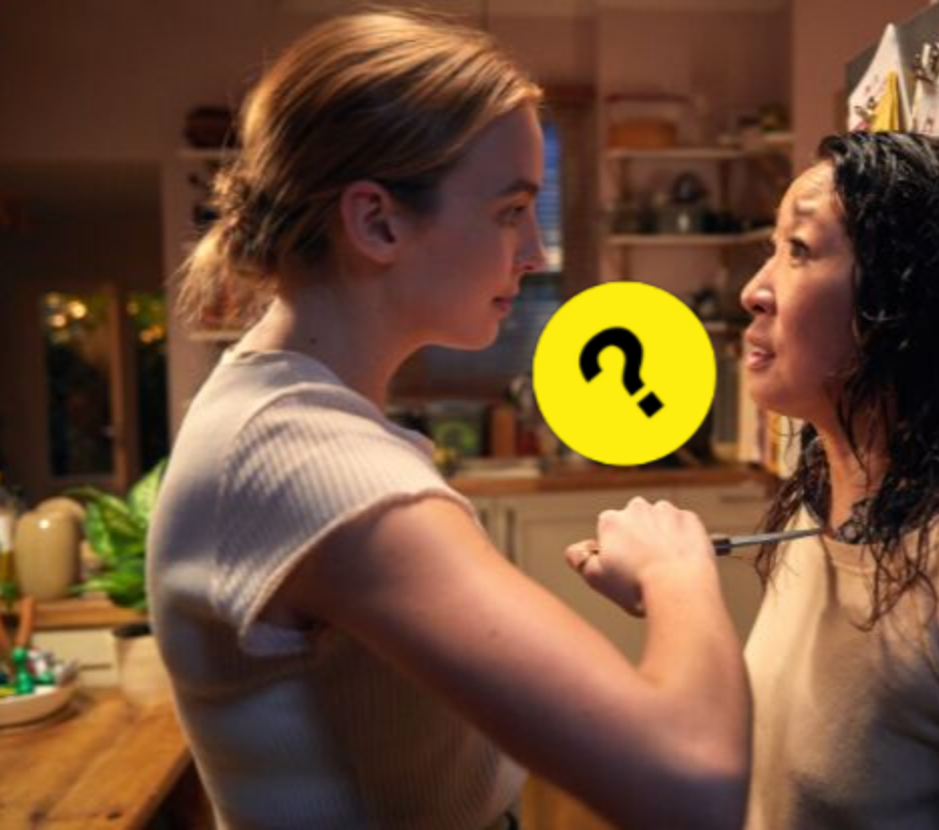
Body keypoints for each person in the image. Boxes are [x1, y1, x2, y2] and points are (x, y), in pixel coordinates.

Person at [148, 10, 749, 829]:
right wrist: (677, 569)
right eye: (509, 211)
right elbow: (693, 782)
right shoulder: (307, 461)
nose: (535, 254)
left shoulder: (279, 417)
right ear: (377, 222)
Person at [574, 132, 939, 828]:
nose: (753, 291)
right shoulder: (821, 508)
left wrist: (676, 584)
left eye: (799, 250)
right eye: (772, 249)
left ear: (906, 301)